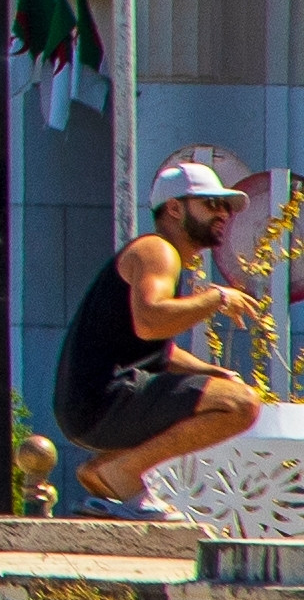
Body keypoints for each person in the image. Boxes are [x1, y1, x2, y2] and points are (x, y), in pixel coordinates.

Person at [52, 149, 275, 506]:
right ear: (174, 209)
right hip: (104, 400)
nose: (223, 214)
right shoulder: (158, 251)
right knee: (240, 406)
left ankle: (105, 468)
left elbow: (157, 350)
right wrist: (216, 298)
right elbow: (150, 322)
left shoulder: (162, 259)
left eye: (225, 207)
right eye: (211, 204)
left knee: (224, 392)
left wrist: (210, 372)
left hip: (87, 406)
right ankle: (123, 472)